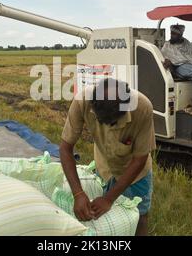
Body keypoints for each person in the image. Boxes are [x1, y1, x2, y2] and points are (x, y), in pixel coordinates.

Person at [59, 78, 155, 236]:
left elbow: (140, 158)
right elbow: (65, 148)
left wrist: (109, 199)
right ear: (93, 107)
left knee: (140, 216)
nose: (109, 128)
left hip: (137, 173)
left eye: (113, 122)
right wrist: (78, 194)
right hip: (105, 168)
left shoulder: (143, 108)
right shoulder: (81, 102)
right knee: (101, 219)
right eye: (102, 121)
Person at [161, 24, 192, 96]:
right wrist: (169, 63)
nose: (172, 36)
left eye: (174, 34)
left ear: (180, 35)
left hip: (190, 65)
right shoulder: (167, 45)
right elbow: (162, 57)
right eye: (171, 33)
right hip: (178, 67)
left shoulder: (187, 44)